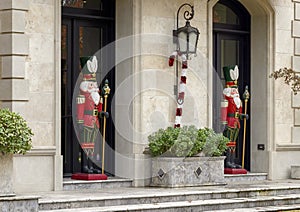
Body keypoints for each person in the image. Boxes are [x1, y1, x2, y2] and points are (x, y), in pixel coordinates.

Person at [77, 56, 108, 174]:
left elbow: (99, 108)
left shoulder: (96, 96)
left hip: (95, 122)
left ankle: (92, 164)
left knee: (93, 145)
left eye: (94, 84)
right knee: (86, 145)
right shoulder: (82, 96)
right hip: (86, 121)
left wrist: (102, 113)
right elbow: (80, 109)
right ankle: (85, 165)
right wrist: (80, 122)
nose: (94, 87)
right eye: (91, 85)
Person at [222, 65, 248, 169]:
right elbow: (224, 110)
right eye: (233, 88)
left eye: (236, 89)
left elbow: (239, 112)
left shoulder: (238, 100)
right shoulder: (227, 98)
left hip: (236, 122)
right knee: (229, 142)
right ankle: (228, 161)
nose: (235, 91)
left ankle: (233, 161)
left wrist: (243, 115)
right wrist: (223, 122)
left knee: (234, 143)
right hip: (229, 122)